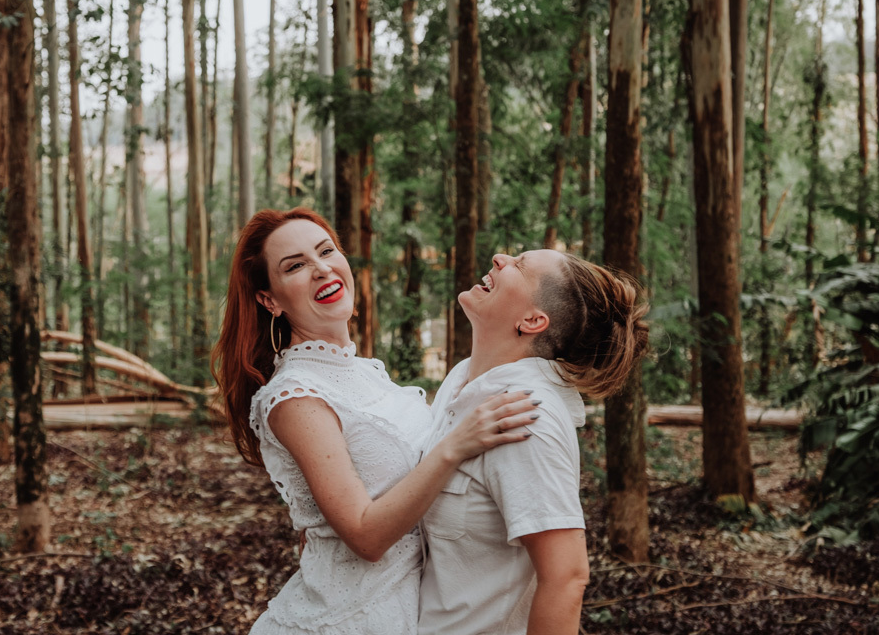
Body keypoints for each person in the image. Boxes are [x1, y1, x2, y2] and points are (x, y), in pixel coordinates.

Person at [213, 208, 541, 635]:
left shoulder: (367, 374)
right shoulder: (294, 395)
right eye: (295, 266)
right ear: (269, 300)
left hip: (423, 610)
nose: (320, 269)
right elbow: (365, 537)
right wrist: (456, 444)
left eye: (326, 251)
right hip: (347, 620)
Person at [418, 249, 649, 635]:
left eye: (519, 265)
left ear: (532, 320)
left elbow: (567, 578)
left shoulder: (527, 416)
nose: (498, 258)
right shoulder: (463, 382)